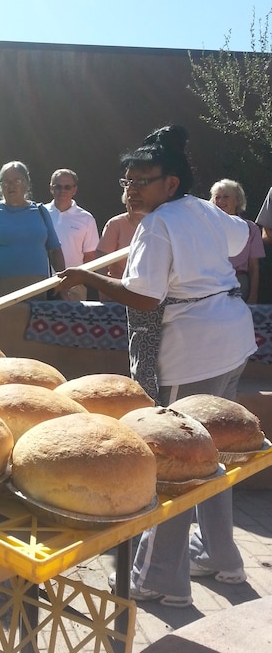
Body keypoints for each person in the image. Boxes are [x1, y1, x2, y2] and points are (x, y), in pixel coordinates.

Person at [56, 125, 256, 607]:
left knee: (178, 463)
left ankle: (160, 577)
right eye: (127, 180)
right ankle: (222, 556)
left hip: (197, 351)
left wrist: (88, 276)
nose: (131, 190)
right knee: (214, 456)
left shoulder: (156, 224)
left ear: (170, 183)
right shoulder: (206, 209)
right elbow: (242, 236)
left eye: (142, 180)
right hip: (233, 336)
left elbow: (145, 297)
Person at [0, 161, 64, 300]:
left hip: (37, 289)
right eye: (5, 182)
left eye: (17, 181)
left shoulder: (40, 211)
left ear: (26, 184)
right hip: (0, 291)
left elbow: (55, 250)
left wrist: (63, 282)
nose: (11, 186)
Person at [44, 168, 99, 301]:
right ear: (51, 188)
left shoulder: (86, 219)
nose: (62, 191)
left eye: (67, 187)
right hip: (41, 284)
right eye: (58, 186)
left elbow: (90, 256)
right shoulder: (40, 213)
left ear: (74, 190)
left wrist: (77, 281)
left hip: (73, 285)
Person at [210, 178, 265, 304]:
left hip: (238, 281)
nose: (221, 201)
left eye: (226, 197)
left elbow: (254, 267)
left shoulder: (251, 228)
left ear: (237, 200)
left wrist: (253, 296)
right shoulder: (206, 226)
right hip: (211, 281)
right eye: (217, 197)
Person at [95, 190, 145, 300]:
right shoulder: (115, 224)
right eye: (130, 200)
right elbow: (101, 262)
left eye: (137, 201)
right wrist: (105, 294)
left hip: (149, 291)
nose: (133, 204)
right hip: (119, 291)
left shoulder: (157, 224)